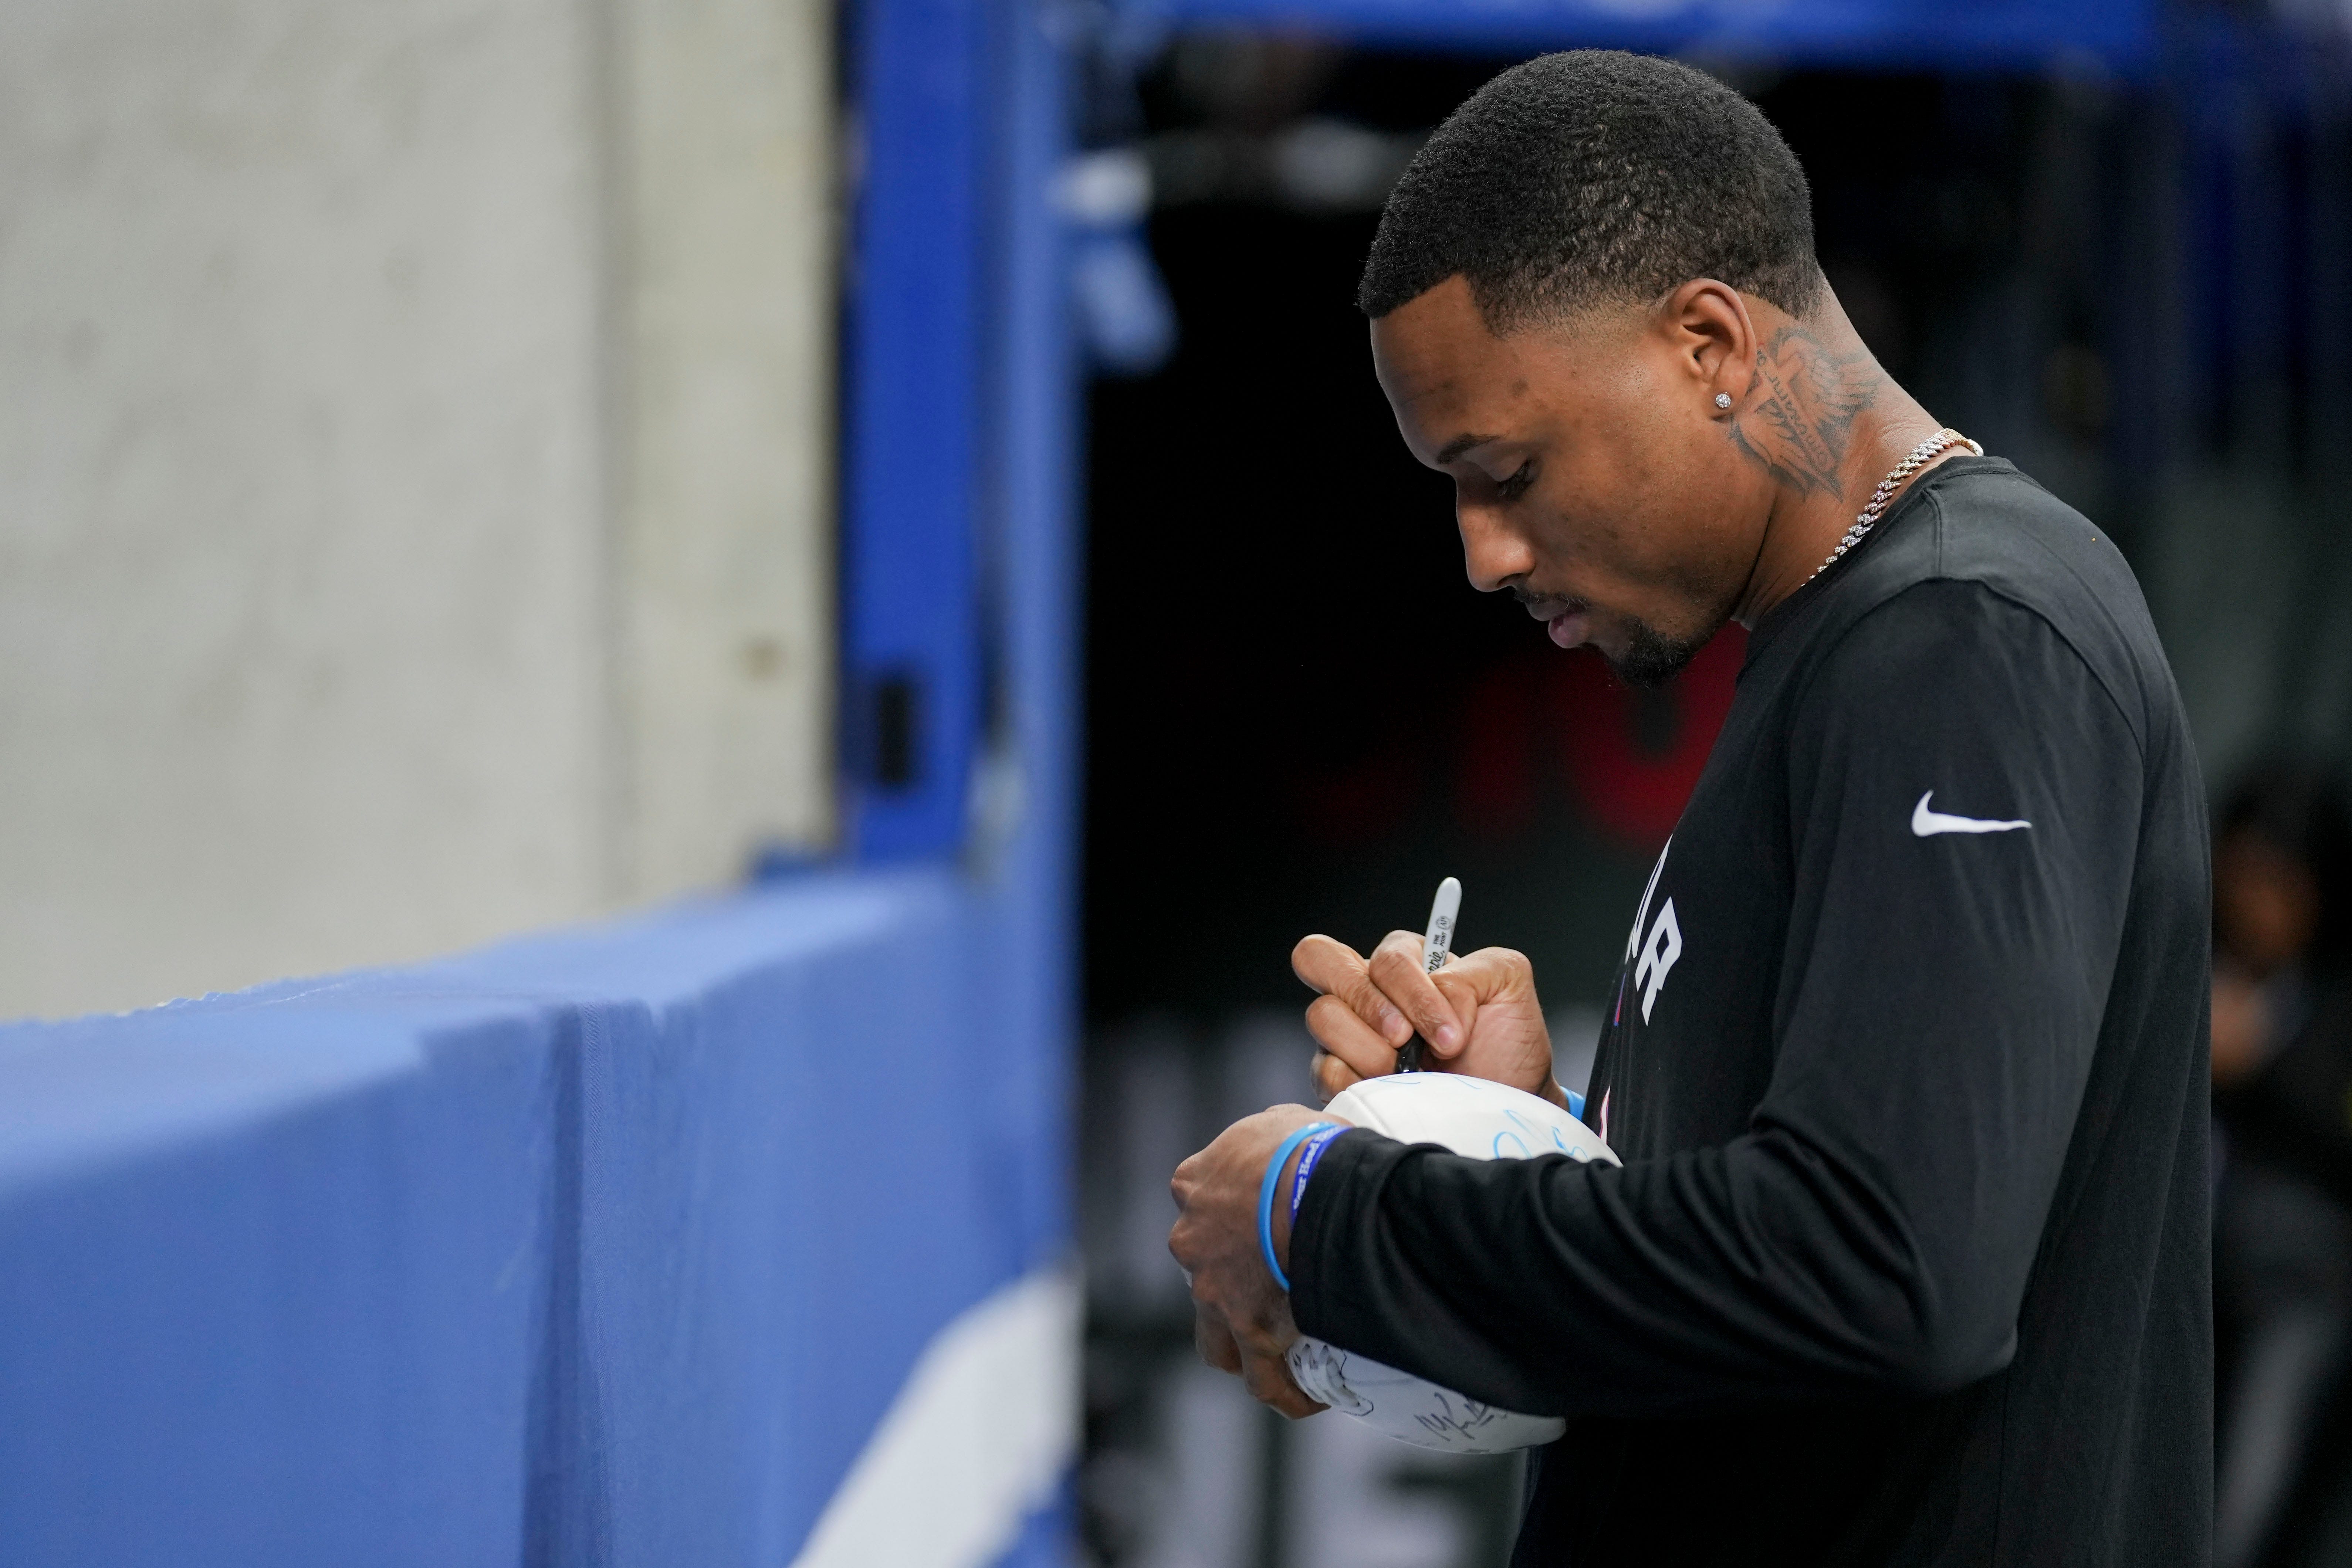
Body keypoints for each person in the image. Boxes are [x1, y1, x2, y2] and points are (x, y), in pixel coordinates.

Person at [1166, 50, 2211, 1566]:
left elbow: (1887, 1267)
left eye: (1506, 470)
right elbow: (1843, 1217)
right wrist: (1565, 1139)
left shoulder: (1968, 635)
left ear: (1710, 340)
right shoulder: (1856, 637)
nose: (1485, 554)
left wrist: (1319, 1211)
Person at [2208, 762, 2352, 1567]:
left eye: (2280, 883)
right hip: (2180, 1260)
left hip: (2297, 1281)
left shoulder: (2332, 1001)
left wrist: (2263, 1058)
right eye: (2244, 876)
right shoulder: (2185, 952)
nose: (2255, 904)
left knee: (2246, 1500)